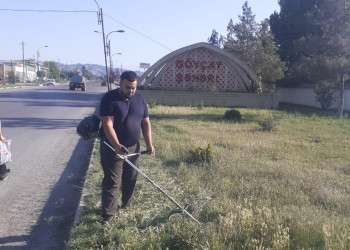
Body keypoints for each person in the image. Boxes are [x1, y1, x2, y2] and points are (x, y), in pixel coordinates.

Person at [99, 70, 155, 223]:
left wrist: (149, 144)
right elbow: (107, 123)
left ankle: (126, 206)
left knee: (130, 179)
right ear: (120, 84)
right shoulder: (109, 99)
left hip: (133, 148)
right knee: (112, 182)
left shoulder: (140, 100)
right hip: (112, 148)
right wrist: (116, 145)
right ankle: (107, 217)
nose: (130, 91)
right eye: (127, 87)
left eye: (133, 88)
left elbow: (145, 122)